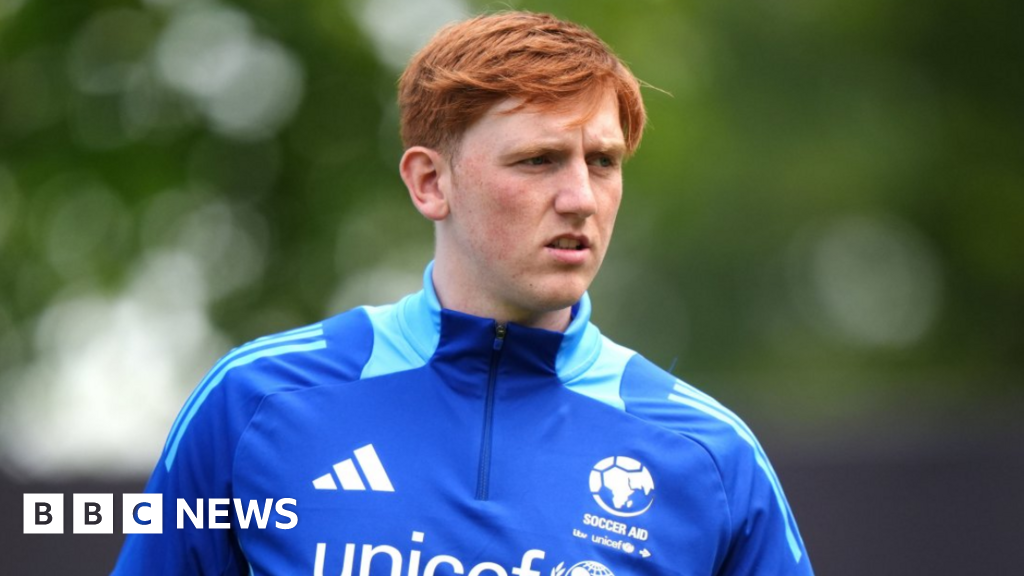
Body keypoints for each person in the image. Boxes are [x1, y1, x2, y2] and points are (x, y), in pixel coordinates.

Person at [114, 11, 813, 576]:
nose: (580, 198)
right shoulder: (256, 400)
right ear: (429, 182)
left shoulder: (710, 455)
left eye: (603, 162)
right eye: (537, 160)